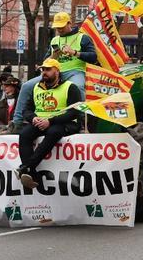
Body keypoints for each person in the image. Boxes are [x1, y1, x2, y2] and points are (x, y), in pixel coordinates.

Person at [13, 12, 97, 126]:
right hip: (54, 73)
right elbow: (45, 62)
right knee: (26, 86)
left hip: (75, 72)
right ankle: (16, 122)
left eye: (62, 27)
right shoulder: (54, 40)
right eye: (57, 27)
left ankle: (80, 121)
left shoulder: (83, 38)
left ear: (69, 23)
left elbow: (93, 57)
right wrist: (53, 57)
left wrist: (75, 53)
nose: (59, 29)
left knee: (77, 87)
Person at [17, 59, 84, 190]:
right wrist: (33, 118)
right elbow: (26, 110)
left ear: (57, 71)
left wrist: (51, 121)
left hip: (64, 123)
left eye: (48, 69)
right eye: (43, 70)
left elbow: (74, 112)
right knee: (24, 134)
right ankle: (32, 175)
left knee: (53, 132)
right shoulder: (37, 87)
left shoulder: (70, 87)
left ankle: (27, 167)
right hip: (41, 121)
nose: (44, 72)